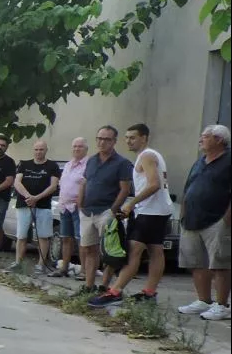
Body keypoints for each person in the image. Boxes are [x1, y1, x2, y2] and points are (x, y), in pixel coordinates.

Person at [90, 124, 173, 307]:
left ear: (144, 138)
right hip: (159, 210)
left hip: (149, 211)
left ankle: (115, 292)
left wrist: (131, 204)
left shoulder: (146, 156)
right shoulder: (153, 155)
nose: (128, 141)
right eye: (127, 137)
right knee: (155, 250)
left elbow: (154, 184)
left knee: (133, 251)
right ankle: (149, 293)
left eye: (133, 137)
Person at [176, 124, 231, 321]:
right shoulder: (200, 162)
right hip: (192, 219)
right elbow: (188, 188)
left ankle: (222, 305)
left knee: (220, 263)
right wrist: (183, 214)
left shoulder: (228, 160)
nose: (201, 140)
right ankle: (204, 300)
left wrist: (226, 219)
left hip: (217, 219)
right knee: (196, 262)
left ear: (219, 140)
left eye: (205, 136)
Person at [78, 126, 134, 294]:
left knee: (109, 251)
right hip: (88, 211)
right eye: (99, 138)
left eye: (107, 139)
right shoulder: (91, 160)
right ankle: (89, 286)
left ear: (114, 141)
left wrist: (113, 210)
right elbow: (85, 182)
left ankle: (104, 286)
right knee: (89, 249)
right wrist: (80, 203)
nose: (102, 142)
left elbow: (125, 189)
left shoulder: (122, 163)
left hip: (106, 211)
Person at [9, 141, 61, 274]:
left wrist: (36, 198)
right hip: (24, 204)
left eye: (41, 149)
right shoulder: (24, 164)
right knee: (21, 235)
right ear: (33, 150)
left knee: (43, 236)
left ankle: (40, 265)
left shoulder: (52, 166)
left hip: (44, 206)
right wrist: (28, 197)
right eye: (36, 149)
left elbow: (53, 186)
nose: (38, 152)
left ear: (46, 150)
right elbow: (17, 182)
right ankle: (18, 263)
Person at [48, 138, 89, 278]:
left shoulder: (88, 165)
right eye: (75, 146)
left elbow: (89, 185)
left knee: (81, 239)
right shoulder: (68, 165)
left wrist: (82, 201)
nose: (77, 149)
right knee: (66, 238)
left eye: (80, 146)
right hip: (64, 207)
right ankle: (64, 268)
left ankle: (84, 271)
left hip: (79, 207)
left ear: (86, 149)